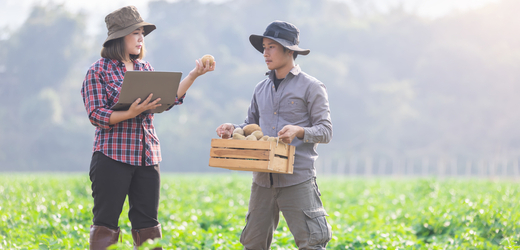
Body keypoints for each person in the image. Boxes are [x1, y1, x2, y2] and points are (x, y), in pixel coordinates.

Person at [81, 6, 214, 250]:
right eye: (135, 33)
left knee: (148, 224)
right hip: (112, 156)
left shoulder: (145, 68)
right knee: (106, 223)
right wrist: (130, 113)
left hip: (147, 155)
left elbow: (168, 99)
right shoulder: (98, 70)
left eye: (142, 33)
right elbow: (96, 114)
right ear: (119, 38)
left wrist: (194, 75)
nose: (141, 38)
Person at [216, 20, 333, 249]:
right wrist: (232, 128)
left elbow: (326, 131)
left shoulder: (312, 86)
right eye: (264, 47)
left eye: (271, 47)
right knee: (253, 244)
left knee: (311, 243)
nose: (265, 53)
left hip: (297, 178)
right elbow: (251, 126)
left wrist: (299, 131)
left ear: (289, 50)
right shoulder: (260, 88)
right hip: (262, 180)